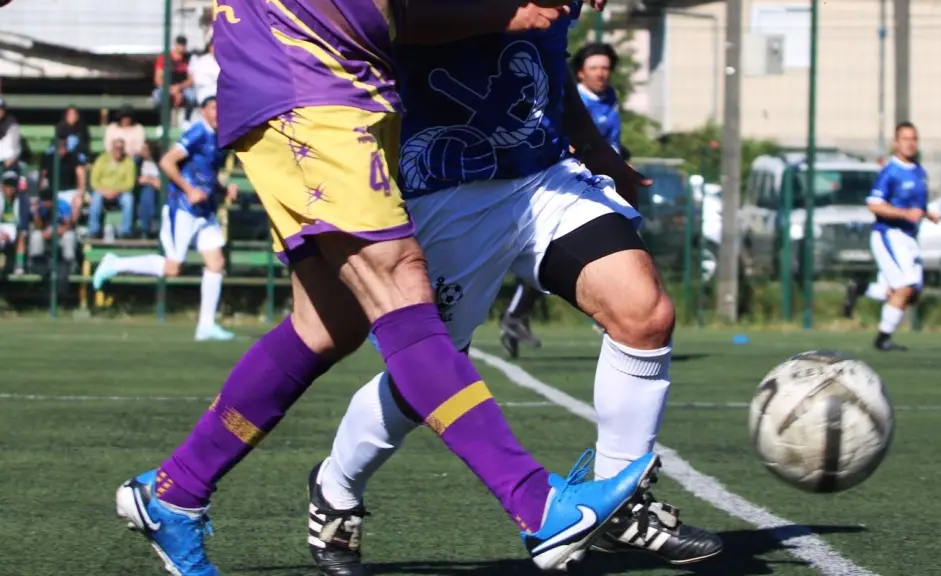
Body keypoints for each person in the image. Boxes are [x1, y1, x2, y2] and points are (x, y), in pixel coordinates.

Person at [112, 3, 658, 576]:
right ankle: (539, 507)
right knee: (399, 284)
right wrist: (508, 12)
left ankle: (174, 492)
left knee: (329, 324)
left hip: (349, 76)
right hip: (301, 68)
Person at [309, 6, 721, 575]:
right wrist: (512, 10)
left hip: (543, 173)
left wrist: (591, 141)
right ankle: (336, 489)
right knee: (428, 372)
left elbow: (546, 53)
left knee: (644, 313)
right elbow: (396, 23)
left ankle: (619, 503)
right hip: (446, 181)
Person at [499, 42, 626, 356]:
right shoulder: (573, 99)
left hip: (599, 182)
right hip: (569, 183)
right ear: (580, 73)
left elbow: (611, 142)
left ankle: (517, 315)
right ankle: (614, 316)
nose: (601, 73)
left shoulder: (611, 99)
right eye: (594, 67)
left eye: (606, 67)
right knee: (557, 251)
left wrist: (621, 162)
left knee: (607, 247)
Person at [92, 97, 237, 342]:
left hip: (205, 210)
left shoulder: (220, 138)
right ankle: (115, 263)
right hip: (182, 208)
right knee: (173, 267)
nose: (218, 111)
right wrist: (188, 189)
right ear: (203, 111)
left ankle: (206, 326)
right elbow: (166, 161)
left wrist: (224, 190)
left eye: (221, 106)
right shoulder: (197, 133)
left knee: (216, 263)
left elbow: (207, 174)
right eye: (214, 107)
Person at [854, 121, 938, 351]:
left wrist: (927, 214)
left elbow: (916, 208)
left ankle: (862, 289)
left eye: (914, 139)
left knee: (911, 295)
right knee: (904, 288)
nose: (910, 143)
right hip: (889, 234)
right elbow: (874, 204)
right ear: (895, 142)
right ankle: (883, 339)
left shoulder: (920, 172)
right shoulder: (890, 172)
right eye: (905, 138)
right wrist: (903, 213)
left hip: (909, 238)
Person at [88, 138, 138, 238]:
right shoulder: (102, 159)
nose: (118, 150)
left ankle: (126, 231)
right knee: (95, 198)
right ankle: (94, 230)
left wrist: (116, 191)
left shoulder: (129, 162)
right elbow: (94, 181)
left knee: (128, 199)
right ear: (112, 148)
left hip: (120, 193)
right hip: (102, 192)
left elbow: (130, 184)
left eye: (121, 148)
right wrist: (104, 191)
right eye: (116, 148)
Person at [28, 187, 77, 282]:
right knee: (36, 235)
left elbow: (68, 225)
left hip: (61, 234)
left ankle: (69, 265)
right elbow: (38, 226)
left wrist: (55, 232)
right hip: (46, 234)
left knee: (69, 237)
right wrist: (37, 213)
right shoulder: (40, 207)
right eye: (44, 201)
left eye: (48, 201)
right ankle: (37, 263)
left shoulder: (62, 205)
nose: (46, 203)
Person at [39, 137, 87, 223]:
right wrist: (43, 192)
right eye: (59, 145)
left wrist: (80, 192)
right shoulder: (48, 158)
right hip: (52, 191)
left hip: (70, 191)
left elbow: (81, 174)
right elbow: (43, 177)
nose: (62, 147)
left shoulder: (73, 157)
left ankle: (71, 226)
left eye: (63, 144)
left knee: (78, 202)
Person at [153, 35, 195, 115]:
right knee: (158, 96)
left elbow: (191, 80)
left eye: (183, 45)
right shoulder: (164, 57)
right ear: (175, 44)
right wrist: (170, 89)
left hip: (182, 88)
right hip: (166, 87)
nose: (181, 47)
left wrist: (178, 88)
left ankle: (187, 120)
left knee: (192, 96)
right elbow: (158, 80)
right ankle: (163, 122)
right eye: (179, 44)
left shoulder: (189, 58)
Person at [0, 169, 28, 275]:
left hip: (14, 228)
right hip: (1, 227)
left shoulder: (22, 199)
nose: (9, 188)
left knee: (21, 235)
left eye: (12, 185)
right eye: (7, 184)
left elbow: (23, 222)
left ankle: (19, 265)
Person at [136, 141, 162, 238]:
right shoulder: (138, 163)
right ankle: (150, 224)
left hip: (159, 192)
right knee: (148, 191)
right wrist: (151, 181)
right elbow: (136, 181)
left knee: (150, 190)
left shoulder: (159, 163)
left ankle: (147, 227)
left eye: (145, 149)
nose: (142, 151)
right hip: (141, 193)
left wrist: (149, 180)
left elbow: (162, 183)